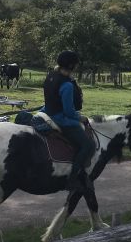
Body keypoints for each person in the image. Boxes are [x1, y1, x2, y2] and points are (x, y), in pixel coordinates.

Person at [40, 50, 95, 190]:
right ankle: (73, 179)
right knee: (88, 146)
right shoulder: (67, 85)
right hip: (60, 119)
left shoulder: (50, 76)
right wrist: (80, 117)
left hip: (46, 113)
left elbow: (50, 99)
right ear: (71, 66)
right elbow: (69, 111)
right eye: (75, 65)